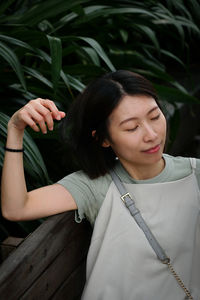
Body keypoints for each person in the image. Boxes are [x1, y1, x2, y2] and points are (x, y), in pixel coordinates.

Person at [1, 70, 200, 300]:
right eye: (131, 127)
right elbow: (16, 208)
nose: (151, 134)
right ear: (103, 139)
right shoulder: (96, 186)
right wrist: (15, 130)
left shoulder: (194, 174)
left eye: (154, 116)